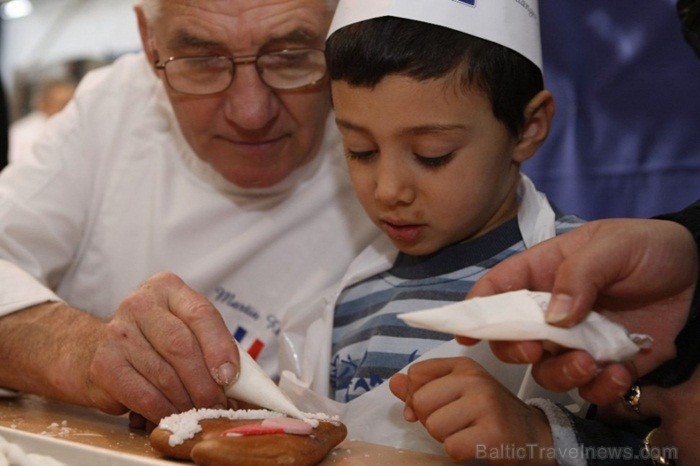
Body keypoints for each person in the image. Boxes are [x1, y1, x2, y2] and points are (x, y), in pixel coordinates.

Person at [0, 0, 379, 426]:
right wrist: (82, 351)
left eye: (291, 57)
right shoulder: (114, 108)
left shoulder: (399, 134)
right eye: (202, 61)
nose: (251, 114)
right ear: (149, 41)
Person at [277, 0, 612, 461]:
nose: (389, 190)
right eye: (360, 150)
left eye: (433, 154)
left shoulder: (588, 278)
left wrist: (540, 436)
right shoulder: (347, 299)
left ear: (528, 128)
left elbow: (668, 445)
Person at [8, 78, 76, 164]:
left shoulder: (73, 128)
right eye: (63, 104)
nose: (69, 110)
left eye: (72, 104)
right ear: (44, 104)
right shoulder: (21, 133)